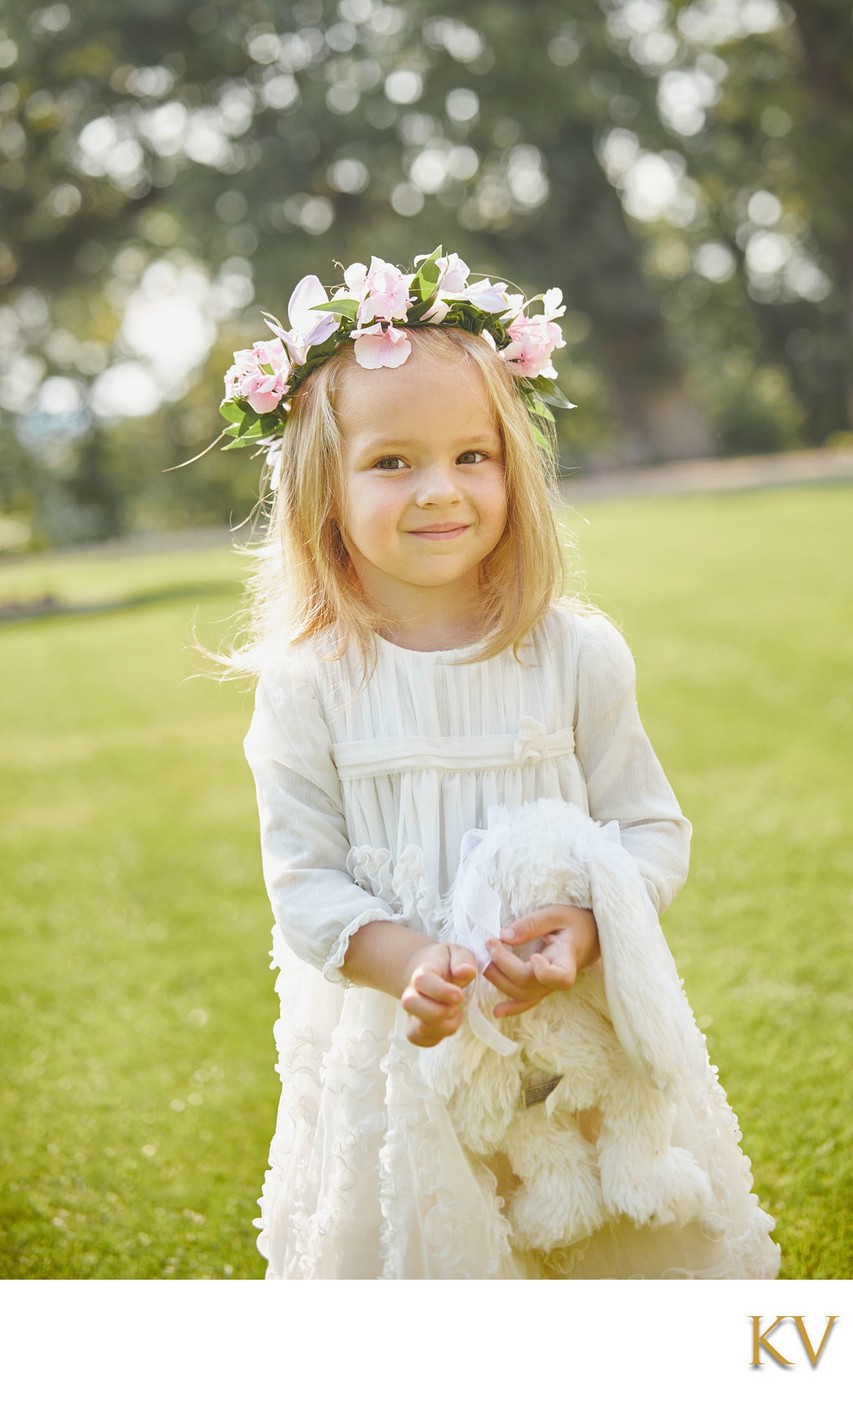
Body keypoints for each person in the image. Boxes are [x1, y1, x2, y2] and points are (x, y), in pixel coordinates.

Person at [222, 250, 780, 1279]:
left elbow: (651, 828)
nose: (441, 491)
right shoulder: (311, 684)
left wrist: (582, 929)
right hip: (409, 1049)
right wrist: (411, 967)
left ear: (512, 467)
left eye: (471, 455)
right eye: (392, 463)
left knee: (609, 1271)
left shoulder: (572, 652)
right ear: (322, 489)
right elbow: (301, 883)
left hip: (577, 1030)